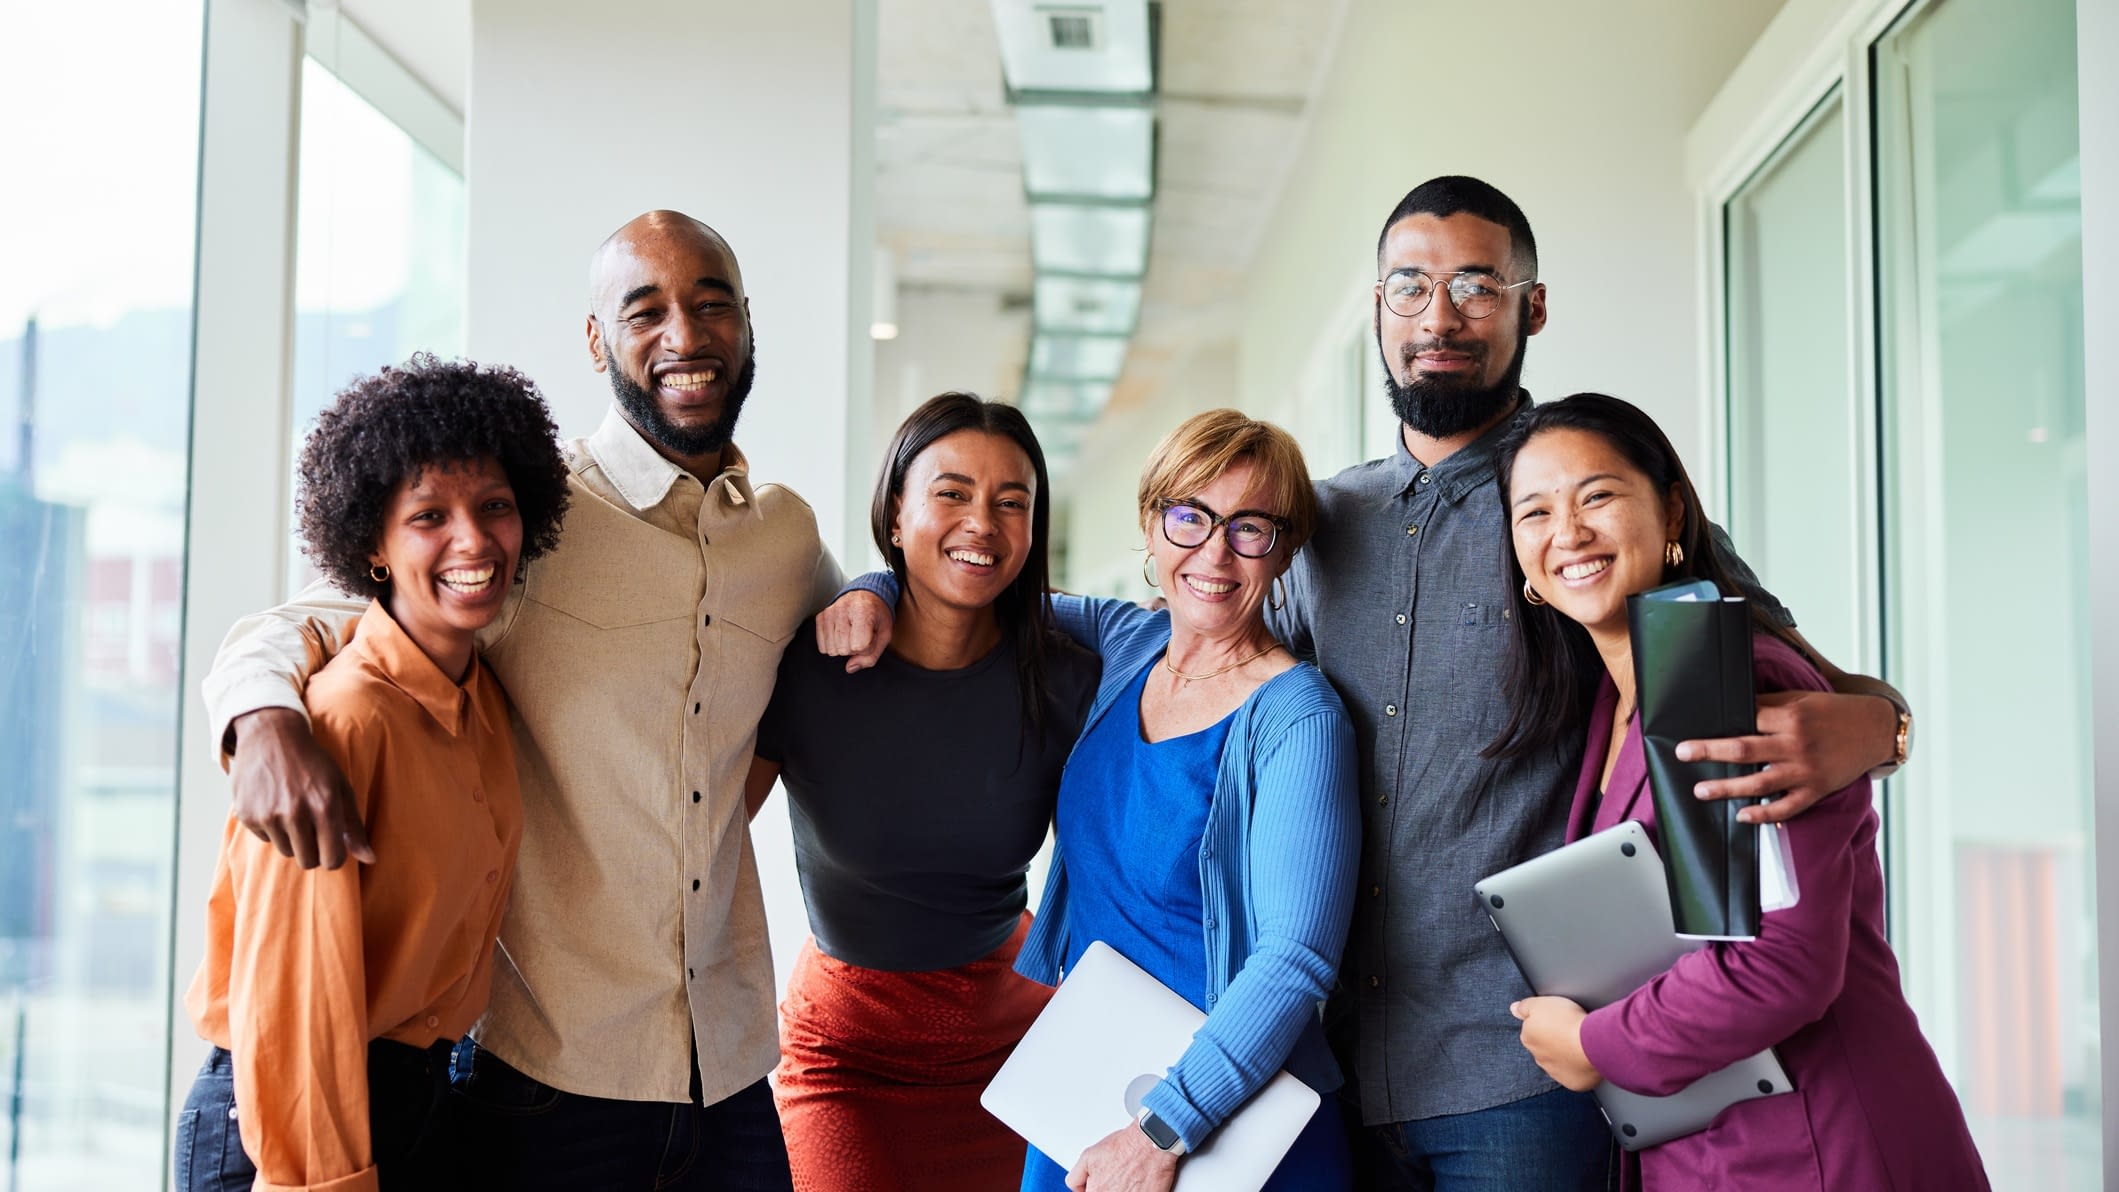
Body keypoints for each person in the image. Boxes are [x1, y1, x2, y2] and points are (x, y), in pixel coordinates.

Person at [202, 212, 843, 1190]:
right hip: (548, 1069)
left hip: (732, 1065)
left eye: (712, 304)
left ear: (747, 324)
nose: (685, 333)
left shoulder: (784, 540)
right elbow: (317, 619)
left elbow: (862, 638)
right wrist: (260, 717)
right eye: (645, 310)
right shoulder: (520, 523)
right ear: (596, 340)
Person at [833, 410, 1361, 1191]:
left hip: (1220, 1121)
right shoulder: (1127, 642)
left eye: (1250, 527)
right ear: (1151, 526)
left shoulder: (1297, 717)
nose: (1213, 552)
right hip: (1091, 1083)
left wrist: (1164, 1127)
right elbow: (975, 583)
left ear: (1283, 550)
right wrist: (871, 586)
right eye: (1190, 517)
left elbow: (1294, 960)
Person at [1492, 392, 1986, 1189]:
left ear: (1673, 513)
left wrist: (1593, 1047)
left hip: (1821, 1140)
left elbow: (1779, 963)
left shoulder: (1716, 676)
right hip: (1714, 1144)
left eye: (1599, 496)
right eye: (1534, 513)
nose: (1568, 534)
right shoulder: (1611, 702)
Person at [176, 356, 572, 1191]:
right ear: (372, 546)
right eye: (430, 515)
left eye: (494, 507)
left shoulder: (485, 698)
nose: (472, 540)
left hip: (420, 1099)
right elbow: (293, 1004)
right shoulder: (343, 720)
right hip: (292, 1120)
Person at [745, 393, 1098, 1191]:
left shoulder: (1067, 677)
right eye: (951, 493)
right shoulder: (811, 666)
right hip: (846, 1050)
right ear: (894, 515)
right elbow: (706, 834)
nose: (983, 521)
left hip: (1013, 1041)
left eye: (1012, 502)